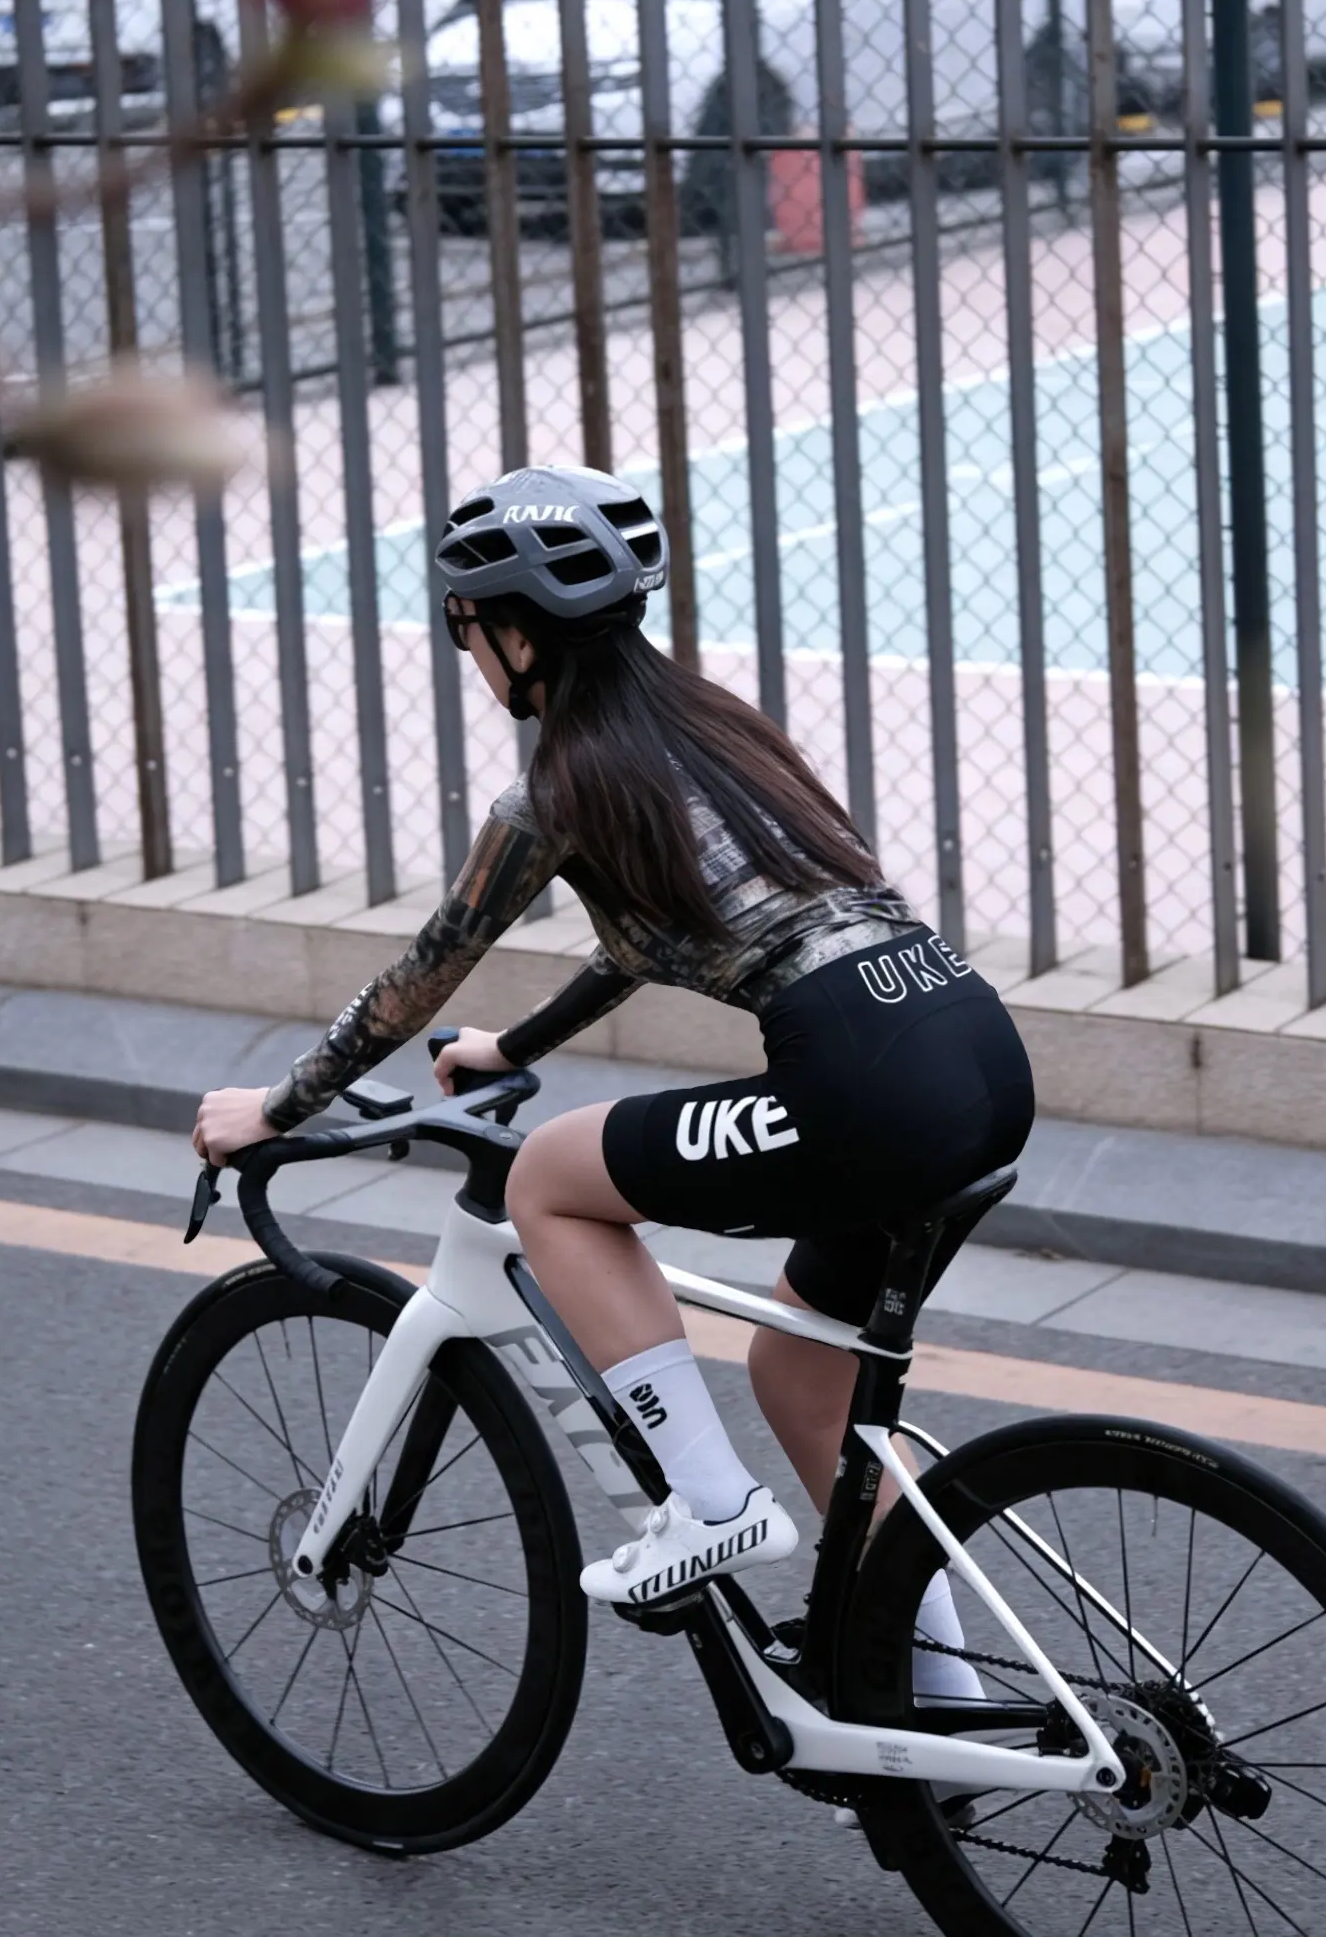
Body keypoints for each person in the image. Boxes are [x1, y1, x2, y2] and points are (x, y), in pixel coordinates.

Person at [194, 465, 1033, 1663]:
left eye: (464, 626)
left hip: (861, 1087)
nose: (466, 650)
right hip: (973, 1048)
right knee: (801, 1373)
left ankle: (711, 1504)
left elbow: (420, 977)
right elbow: (652, 934)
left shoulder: (554, 790)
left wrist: (277, 1107)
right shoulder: (720, 730)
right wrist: (513, 1045)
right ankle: (936, 1704)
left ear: (518, 634)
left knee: (547, 1177)